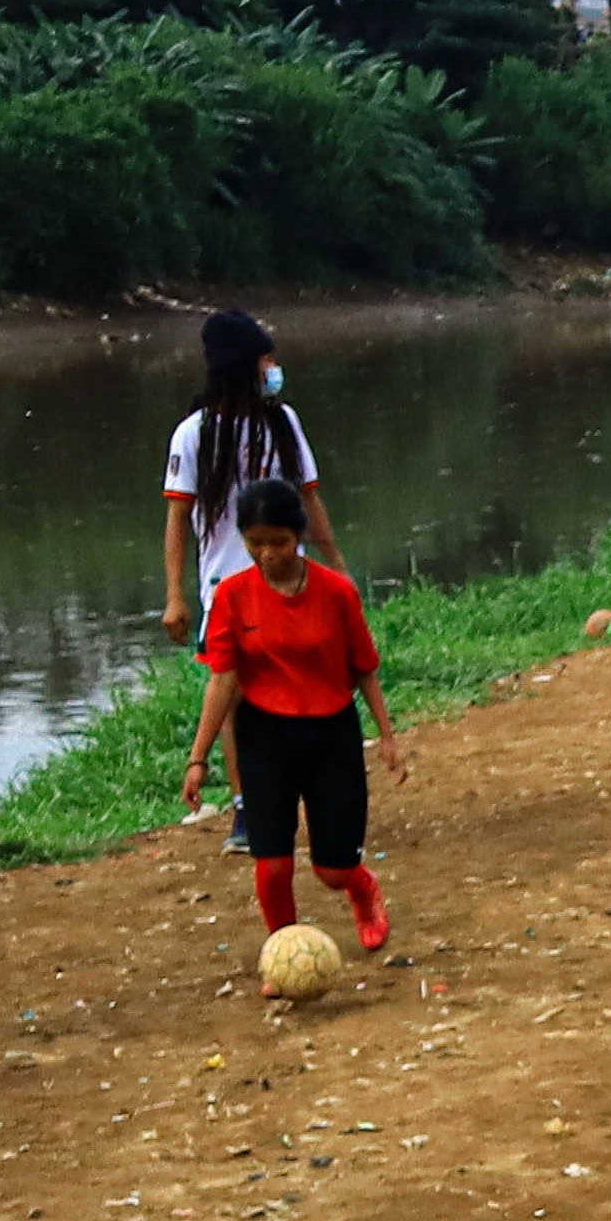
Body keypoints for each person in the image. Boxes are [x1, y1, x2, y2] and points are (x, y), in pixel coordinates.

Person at [174, 474, 403, 982]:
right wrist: (198, 757)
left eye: (277, 542)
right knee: (272, 863)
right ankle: (283, 953)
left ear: (297, 536)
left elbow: (364, 666)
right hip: (265, 738)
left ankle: (362, 888)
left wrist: (386, 735)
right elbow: (223, 679)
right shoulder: (233, 596)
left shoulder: (336, 592)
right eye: (255, 544)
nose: (267, 554)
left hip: (330, 735)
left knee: (332, 869)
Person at [159, 309, 334, 641]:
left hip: (289, 585)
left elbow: (309, 500)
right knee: (231, 687)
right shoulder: (194, 434)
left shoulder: (283, 423)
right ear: (242, 368)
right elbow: (177, 519)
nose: (273, 370)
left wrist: (337, 568)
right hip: (224, 593)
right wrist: (175, 597)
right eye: (265, 361)